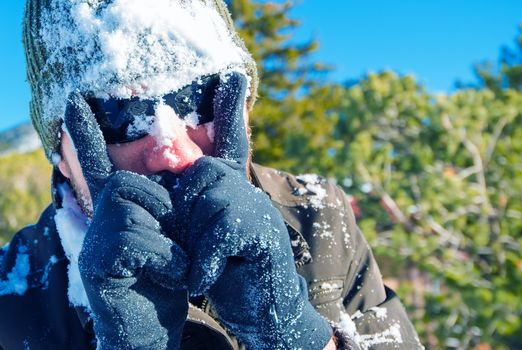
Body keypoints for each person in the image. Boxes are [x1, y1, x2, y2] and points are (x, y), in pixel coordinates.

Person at [0, 0, 423, 349]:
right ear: (61, 151)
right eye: (119, 114)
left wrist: (294, 335)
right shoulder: (13, 296)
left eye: (196, 99)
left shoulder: (318, 217)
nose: (171, 152)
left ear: (241, 107)